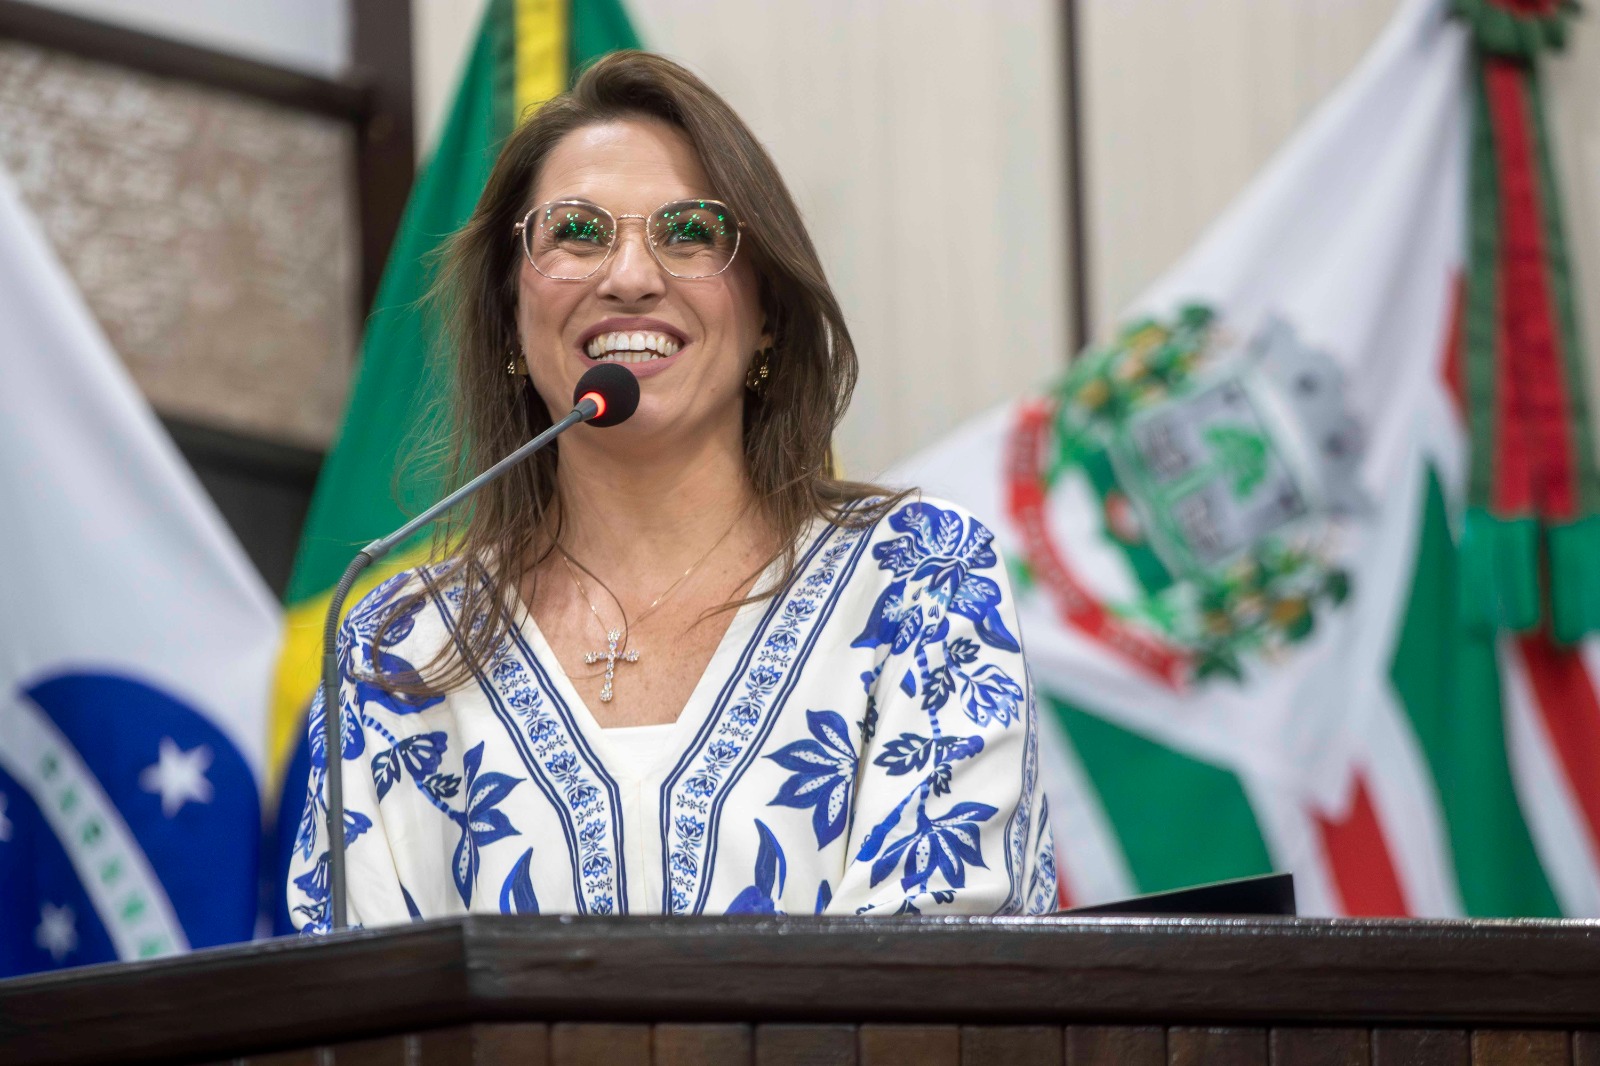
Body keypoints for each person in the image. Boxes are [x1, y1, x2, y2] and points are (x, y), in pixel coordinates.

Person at [287, 52, 1055, 928]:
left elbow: (932, 985)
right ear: (510, 313)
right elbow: (366, 1017)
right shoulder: (396, 649)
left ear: (767, 312)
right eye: (576, 232)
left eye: (691, 232)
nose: (630, 276)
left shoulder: (920, 582)